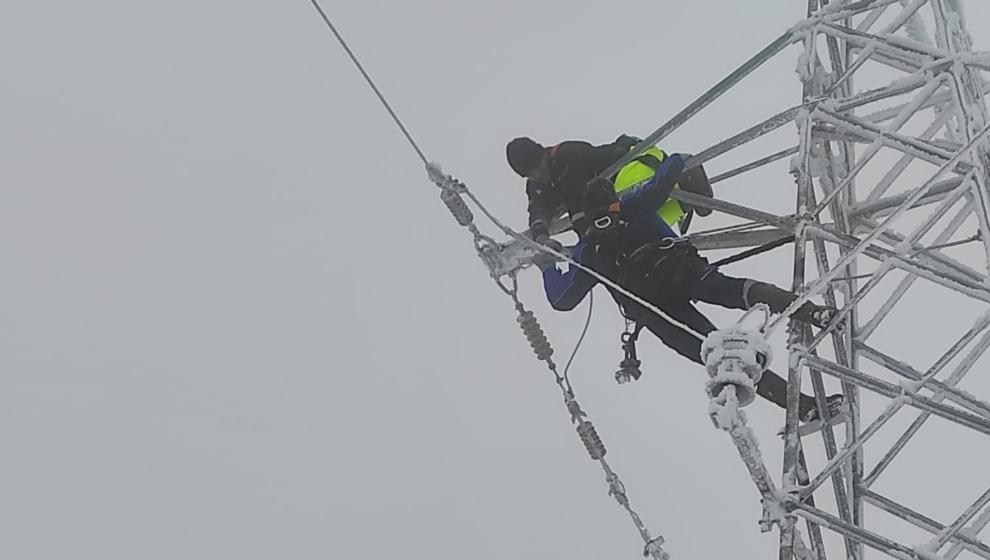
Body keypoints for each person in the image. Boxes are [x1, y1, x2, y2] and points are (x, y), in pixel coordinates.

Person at [530, 152, 843, 421]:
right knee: (743, 291)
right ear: (612, 200)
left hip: (656, 311)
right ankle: (815, 314)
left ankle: (804, 407)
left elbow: (562, 299)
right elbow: (670, 171)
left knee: (725, 360)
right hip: (685, 273)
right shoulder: (631, 206)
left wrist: (547, 265)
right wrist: (677, 159)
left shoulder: (588, 250)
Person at [505, 135, 713, 244]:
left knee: (628, 207)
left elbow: (575, 199)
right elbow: (538, 209)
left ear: (543, 153)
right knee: (636, 230)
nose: (537, 176)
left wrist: (589, 242)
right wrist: (541, 236)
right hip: (613, 192)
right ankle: (684, 201)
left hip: (632, 164)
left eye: (537, 168)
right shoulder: (538, 185)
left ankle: (682, 175)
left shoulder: (569, 155)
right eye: (530, 174)